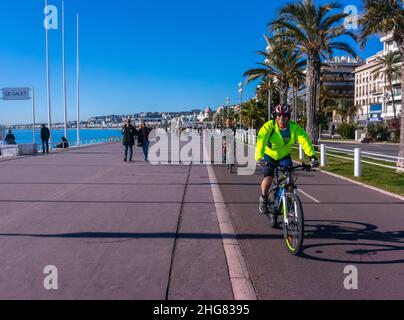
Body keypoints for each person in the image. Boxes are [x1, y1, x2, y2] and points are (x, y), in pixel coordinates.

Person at [255, 104, 319, 215]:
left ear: (288, 116)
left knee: (290, 180)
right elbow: (261, 141)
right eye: (279, 115)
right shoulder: (269, 126)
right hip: (269, 156)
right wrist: (259, 157)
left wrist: (312, 157)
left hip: (284, 156)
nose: (282, 117)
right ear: (275, 116)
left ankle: (288, 208)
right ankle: (264, 198)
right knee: (268, 180)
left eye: (285, 115)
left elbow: (304, 141)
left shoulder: (294, 128)